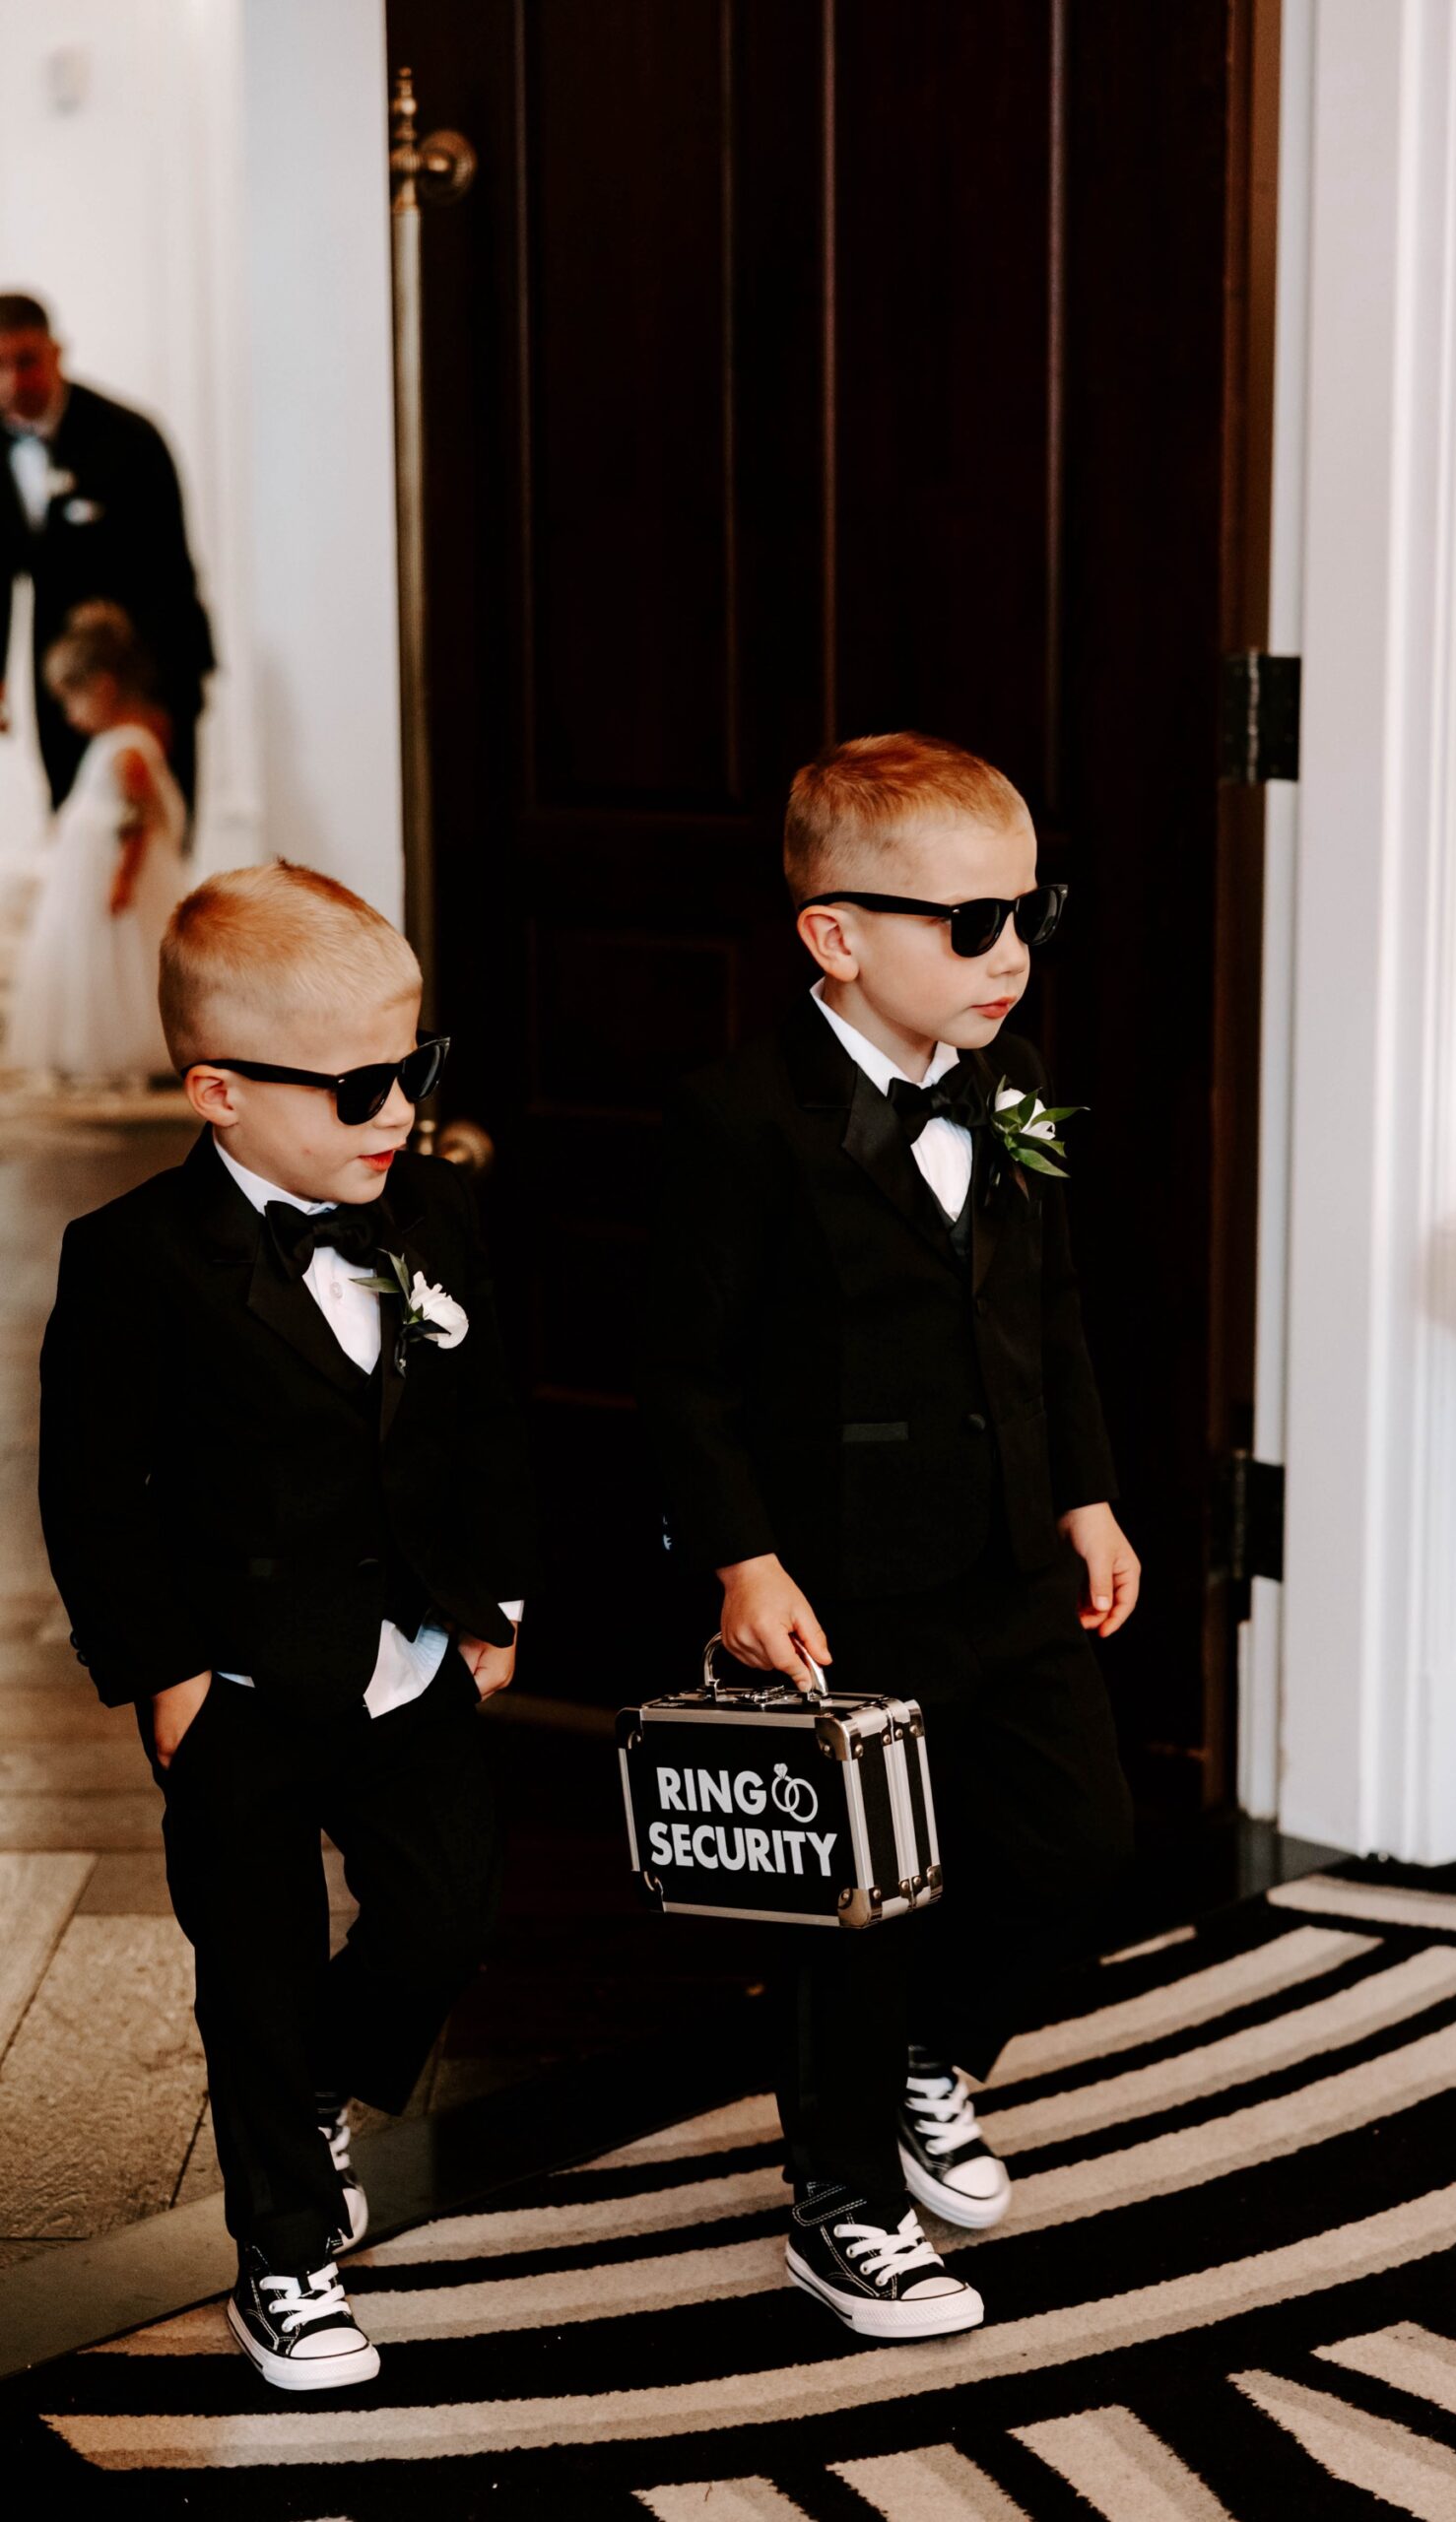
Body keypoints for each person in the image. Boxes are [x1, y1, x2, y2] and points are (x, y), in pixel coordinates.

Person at [639, 730, 1140, 2342]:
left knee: (1080, 1849)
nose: (1009, 958)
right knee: (854, 1912)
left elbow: (1050, 1307)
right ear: (836, 936)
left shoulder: (1022, 1094)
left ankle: (941, 2055)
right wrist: (742, 1556)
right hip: (837, 1587)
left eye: (1027, 914)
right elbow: (684, 1370)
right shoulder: (740, 1119)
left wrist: (1085, 1494)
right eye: (967, 925)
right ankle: (840, 2206)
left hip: (1008, 1557)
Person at [37, 862, 533, 2393]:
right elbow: (91, 1492)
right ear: (221, 1093)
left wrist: (495, 1600)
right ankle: (286, 2254)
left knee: (446, 1918)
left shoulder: (431, 1207)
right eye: (365, 1085)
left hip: (413, 1662)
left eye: (417, 1069)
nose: (401, 1111)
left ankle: (317, 2083)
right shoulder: (135, 1263)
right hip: (242, 1684)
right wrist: (169, 1674)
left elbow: (486, 1423)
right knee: (251, 1965)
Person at [0, 292, 214, 818]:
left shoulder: (131, 439)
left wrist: (156, 703)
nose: (10, 382)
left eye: (24, 362)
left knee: (150, 836)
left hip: (146, 673)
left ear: (56, 352)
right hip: (64, 687)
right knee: (75, 826)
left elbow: (170, 575)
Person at [7, 602, 185, 1083]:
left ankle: (127, 1049)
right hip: (87, 877)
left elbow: (137, 820)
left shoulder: (128, 748)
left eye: (71, 700)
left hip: (113, 880)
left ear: (103, 688)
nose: (68, 714)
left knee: (120, 966)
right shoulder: (113, 743)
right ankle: (94, 1052)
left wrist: (124, 878)